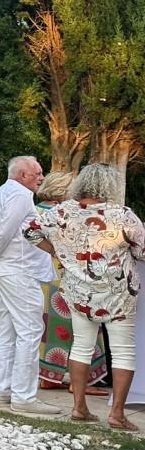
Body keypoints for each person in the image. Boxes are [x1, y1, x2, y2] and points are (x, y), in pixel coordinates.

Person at [23, 163, 145, 429]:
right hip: (118, 294)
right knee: (123, 351)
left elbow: (29, 230)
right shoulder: (122, 215)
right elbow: (142, 250)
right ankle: (117, 414)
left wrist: (56, 250)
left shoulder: (61, 212)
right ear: (109, 186)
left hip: (78, 291)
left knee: (81, 346)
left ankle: (79, 408)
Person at [0, 155, 60, 415]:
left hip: (7, 268)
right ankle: (24, 396)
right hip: (18, 269)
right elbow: (6, 230)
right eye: (38, 173)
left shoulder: (0, 193)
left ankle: (2, 390)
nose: (41, 178)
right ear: (23, 175)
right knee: (31, 330)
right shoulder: (20, 195)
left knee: (10, 330)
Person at [34, 172, 109, 395]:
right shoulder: (66, 215)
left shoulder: (36, 211)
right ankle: (80, 381)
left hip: (42, 278)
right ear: (65, 191)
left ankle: (49, 377)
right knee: (79, 329)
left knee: (47, 330)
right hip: (66, 277)